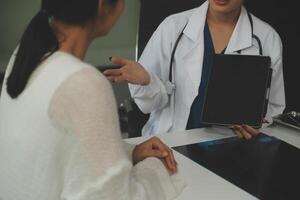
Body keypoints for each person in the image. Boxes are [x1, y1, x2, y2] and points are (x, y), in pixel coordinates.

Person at [0, 0, 184, 199]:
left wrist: (130, 153)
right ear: (103, 5)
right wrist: (156, 167)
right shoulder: (83, 82)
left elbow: (52, 148)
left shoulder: (26, 55)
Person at [104, 0, 285, 139]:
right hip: (171, 144)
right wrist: (148, 81)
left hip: (234, 148)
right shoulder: (173, 27)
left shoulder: (267, 38)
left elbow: (274, 109)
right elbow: (149, 105)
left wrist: (257, 123)